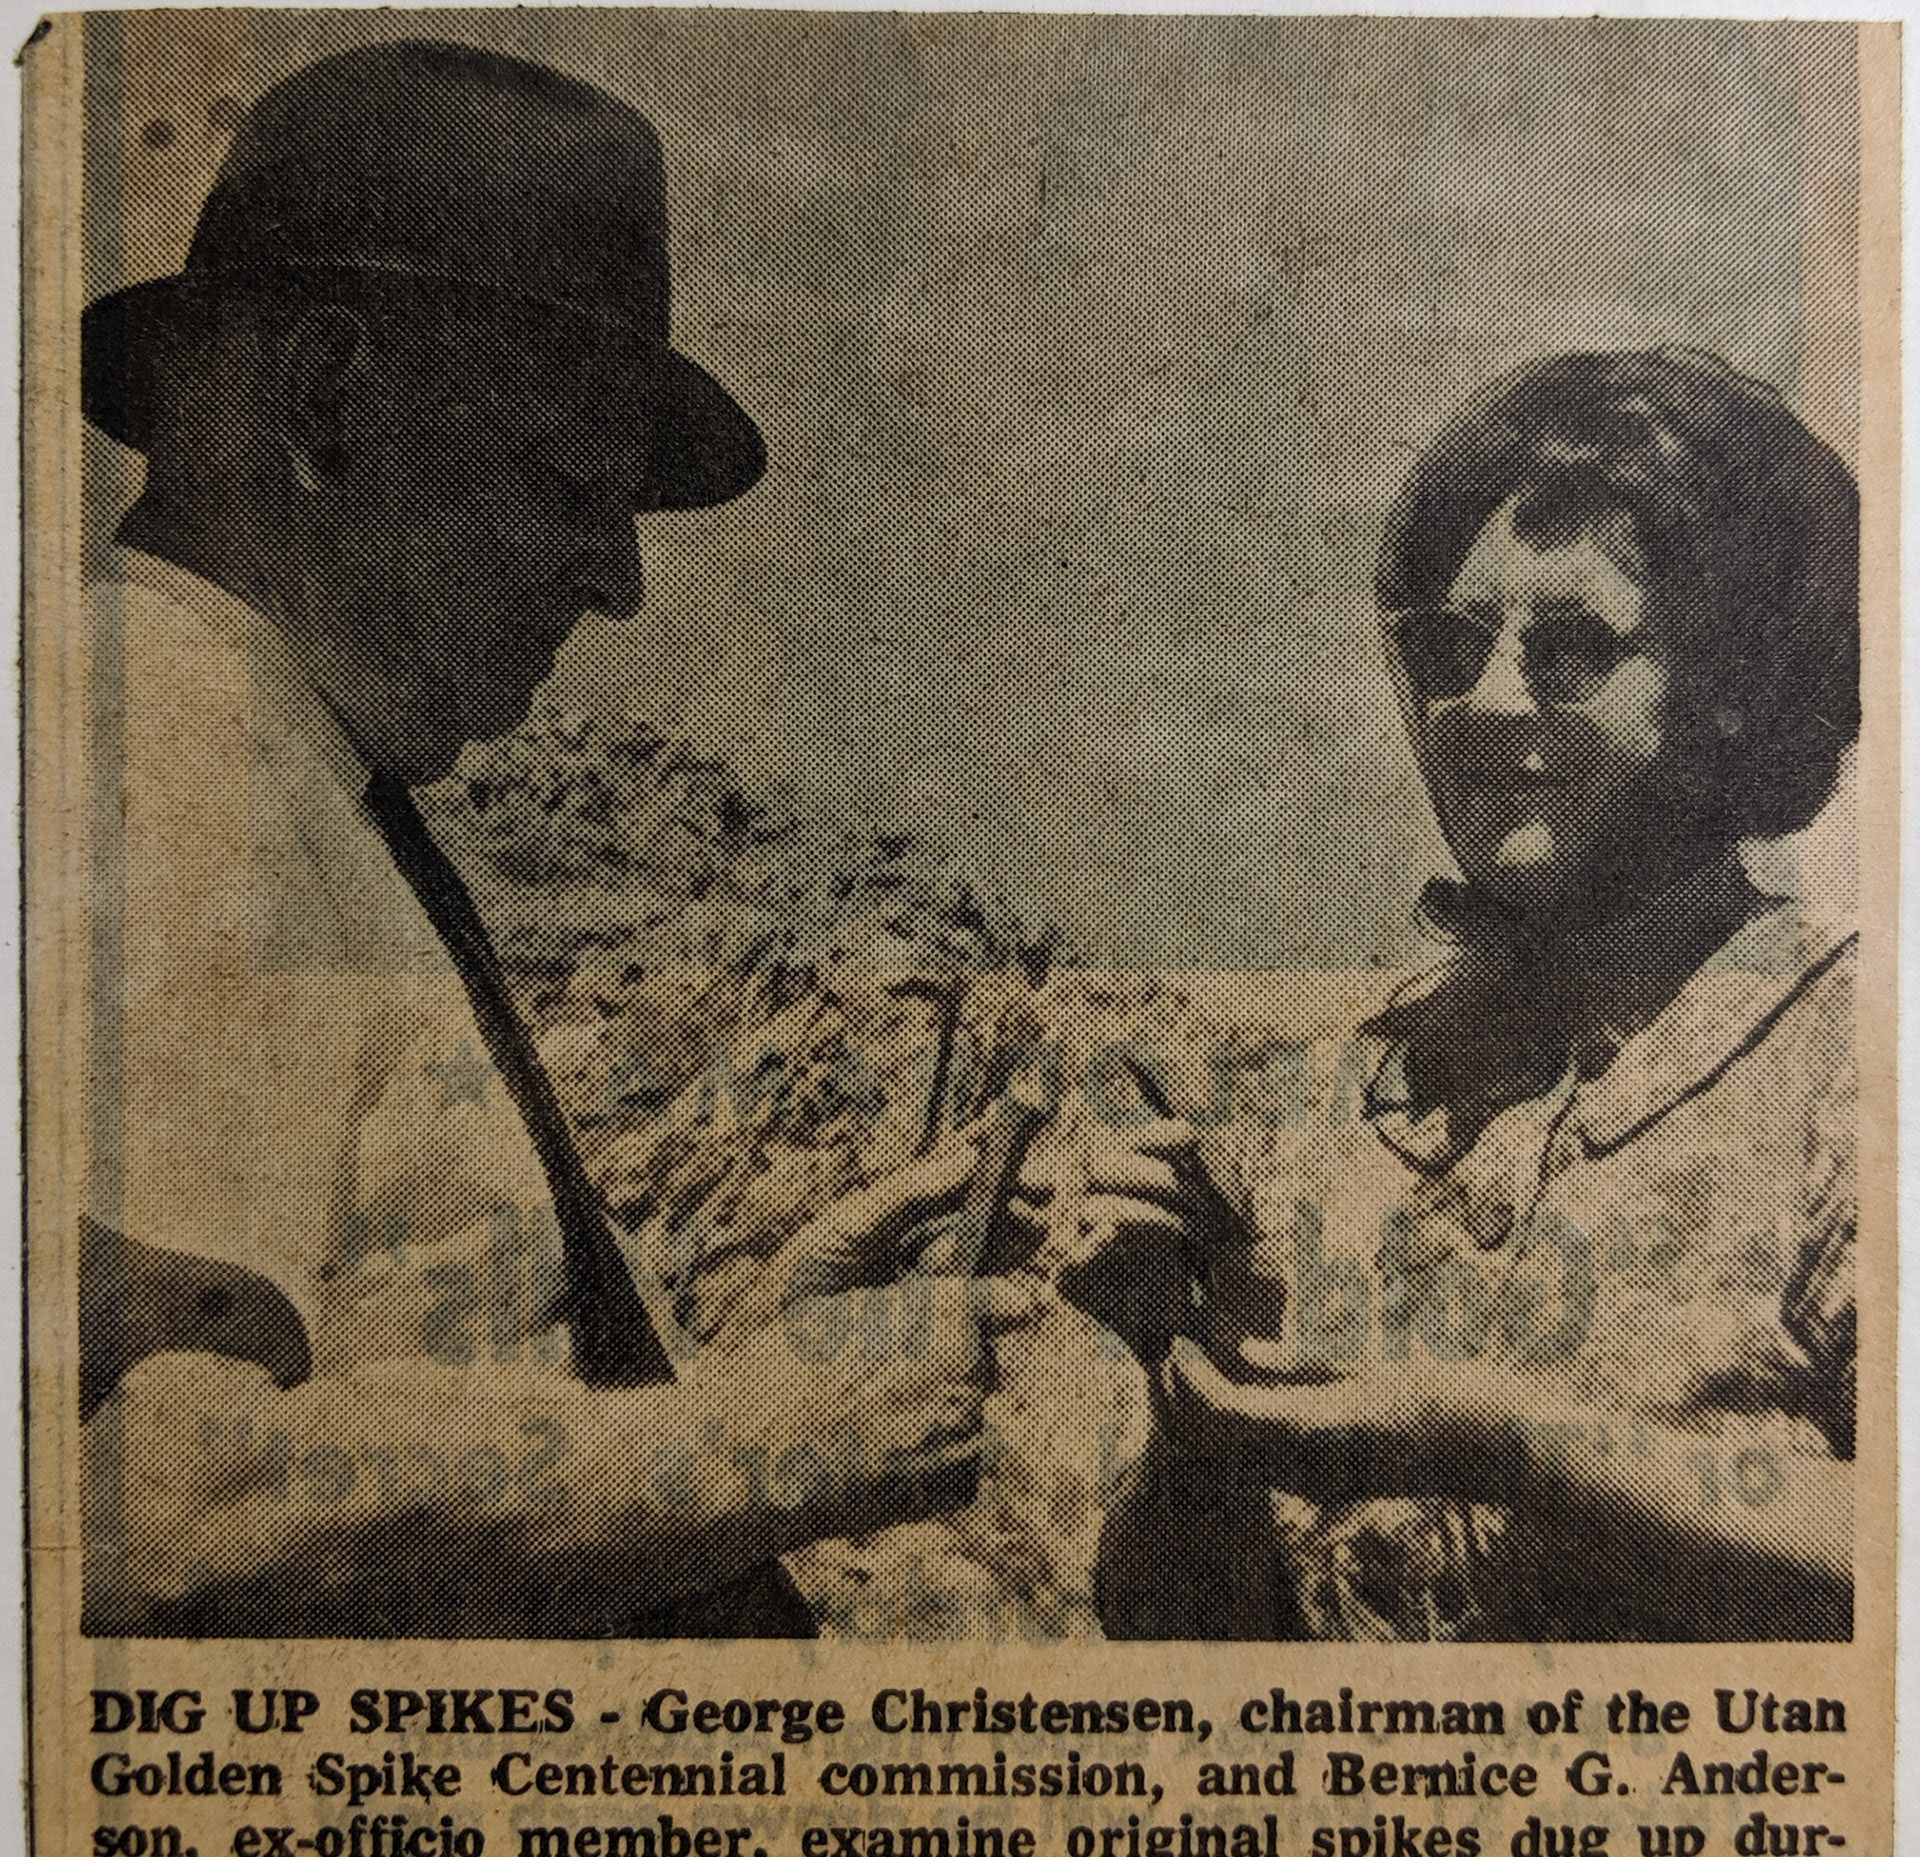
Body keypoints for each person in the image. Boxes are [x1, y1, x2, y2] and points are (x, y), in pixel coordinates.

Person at [76, 40, 1040, 1636]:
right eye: (566, 482)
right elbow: (133, 1498)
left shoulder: (283, 764)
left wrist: (712, 1368)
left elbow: (371, 1377)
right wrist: (752, 1445)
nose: (619, 580)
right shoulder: (167, 747)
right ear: (326, 400)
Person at [1073, 348, 1858, 1640]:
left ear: (1728, 693)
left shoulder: (1852, 1050)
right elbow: (1190, 1651)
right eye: (1453, 644)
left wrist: (1493, 1441)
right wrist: (1199, 1408)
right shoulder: (1343, 1098)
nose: (1488, 703)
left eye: (1572, 649)